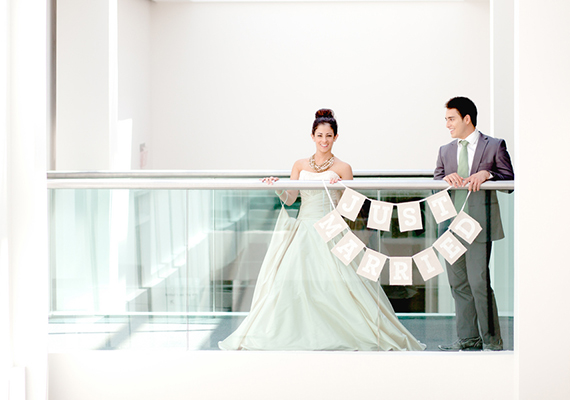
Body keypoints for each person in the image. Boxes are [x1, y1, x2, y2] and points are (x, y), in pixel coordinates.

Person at [218, 109, 425, 351]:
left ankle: (343, 332)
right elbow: (290, 198)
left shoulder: (344, 167)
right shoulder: (299, 165)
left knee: (341, 285)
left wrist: (341, 187)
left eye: (328, 136)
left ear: (336, 137)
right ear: (312, 136)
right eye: (319, 135)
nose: (324, 140)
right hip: (303, 229)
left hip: (332, 229)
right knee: (292, 283)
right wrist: (277, 187)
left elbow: (350, 209)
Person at [434, 97, 514, 351]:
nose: (447, 124)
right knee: (458, 284)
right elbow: (435, 184)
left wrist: (487, 174)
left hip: (479, 224)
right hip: (450, 226)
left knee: (479, 282)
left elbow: (509, 181)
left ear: (466, 118)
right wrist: (445, 179)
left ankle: (492, 341)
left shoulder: (495, 145)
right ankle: (468, 340)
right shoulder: (445, 150)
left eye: (451, 119)